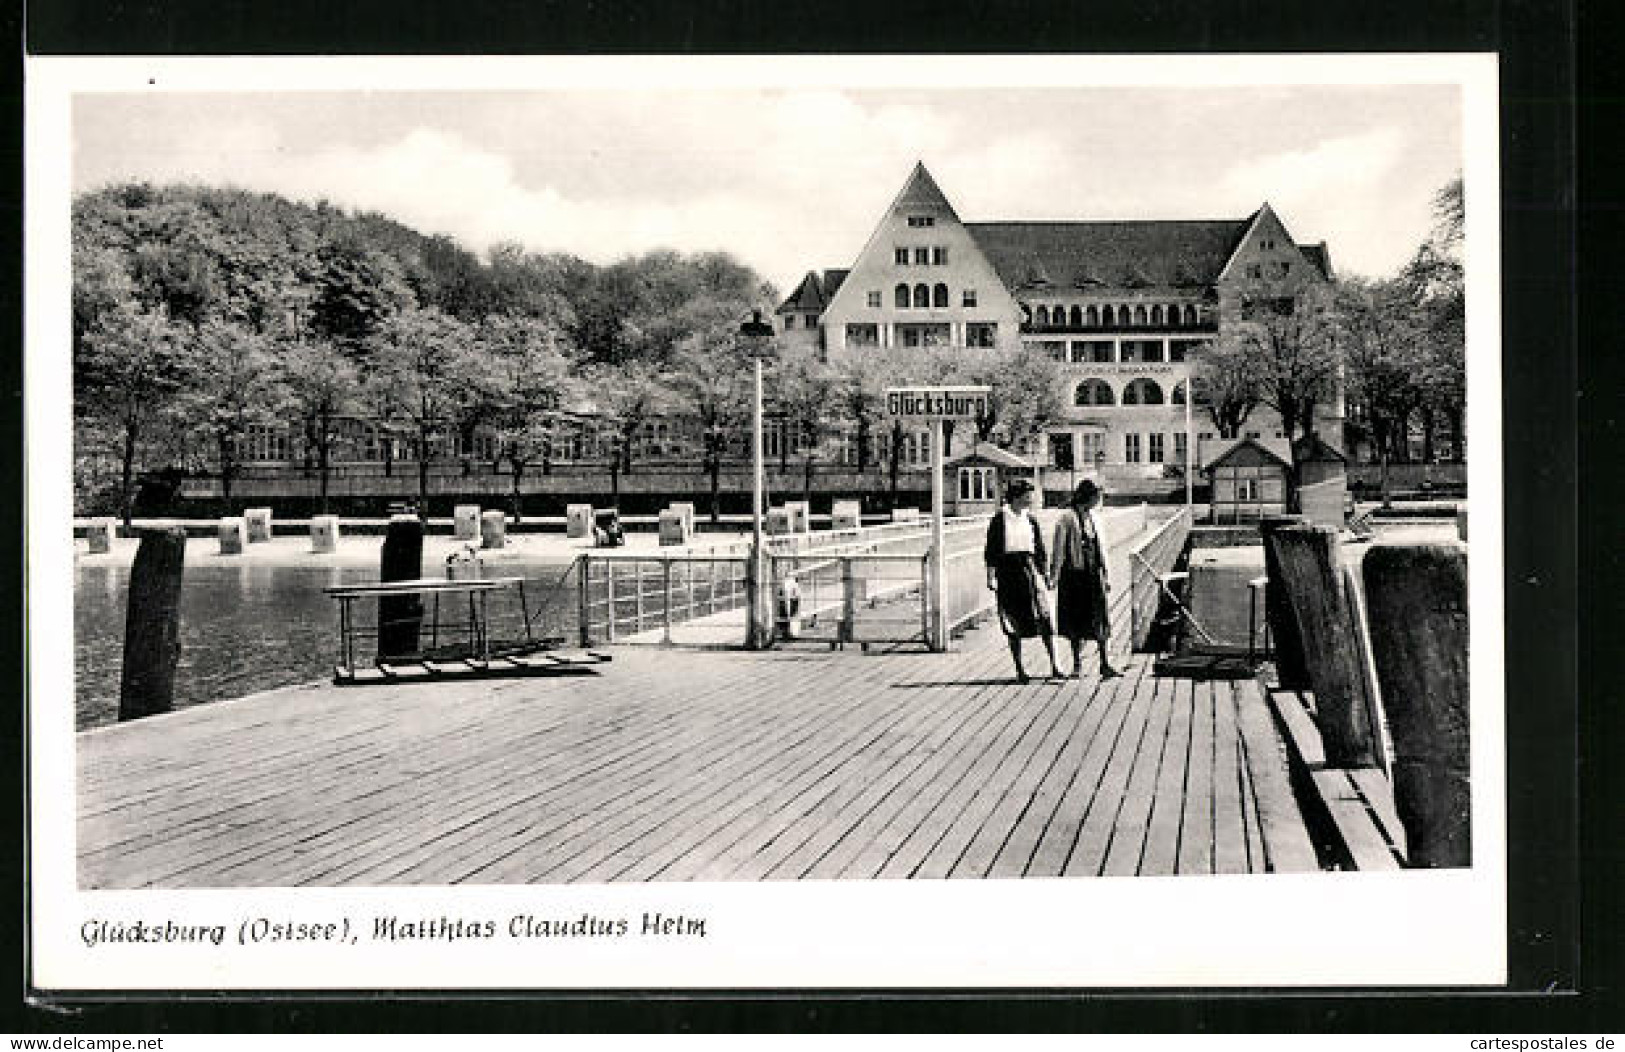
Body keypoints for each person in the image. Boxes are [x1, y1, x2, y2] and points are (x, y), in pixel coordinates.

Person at [984, 478, 1062, 683]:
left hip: (1030, 571)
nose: (1031, 500)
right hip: (1009, 573)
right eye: (1028, 496)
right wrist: (991, 577)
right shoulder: (1000, 519)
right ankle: (1020, 668)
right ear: (1016, 497)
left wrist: (1045, 574)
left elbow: (1040, 551)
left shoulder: (1031, 520)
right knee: (1013, 621)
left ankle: (1055, 665)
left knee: (1044, 617)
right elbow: (991, 551)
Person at [1049, 479, 1121, 679]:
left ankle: (1105, 663)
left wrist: (1106, 575)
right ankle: (1077, 664)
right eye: (1096, 497)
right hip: (1073, 576)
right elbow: (1058, 550)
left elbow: (1101, 549)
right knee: (1075, 620)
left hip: (1093, 574)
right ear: (1087, 497)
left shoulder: (1094, 519)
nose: (1098, 501)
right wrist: (1053, 575)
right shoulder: (1066, 518)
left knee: (1100, 618)